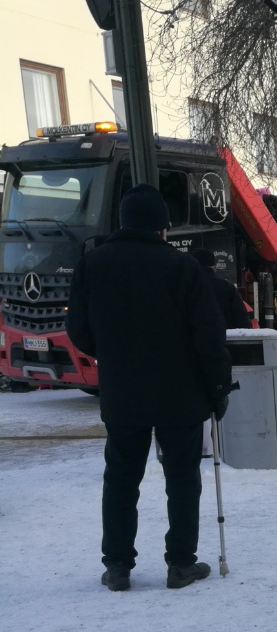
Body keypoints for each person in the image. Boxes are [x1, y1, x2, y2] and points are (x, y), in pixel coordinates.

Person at [66, 184, 233, 591]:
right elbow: (209, 336)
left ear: (123, 221)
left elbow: (78, 329)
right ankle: (181, 564)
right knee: (182, 479)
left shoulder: (93, 263)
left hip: (123, 391)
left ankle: (118, 565)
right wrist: (218, 388)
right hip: (181, 393)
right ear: (162, 227)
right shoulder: (182, 267)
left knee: (121, 478)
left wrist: (112, 354)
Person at [191, 248, 252, 330]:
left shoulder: (186, 287)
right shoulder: (227, 287)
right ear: (215, 267)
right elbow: (241, 318)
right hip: (225, 336)